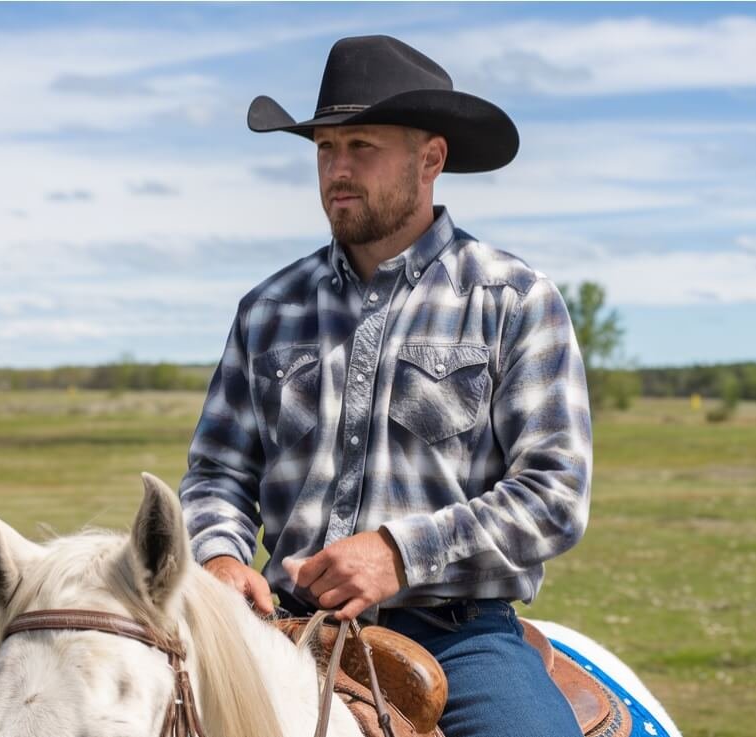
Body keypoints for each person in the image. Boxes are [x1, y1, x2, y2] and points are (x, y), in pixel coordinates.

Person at [179, 35, 591, 737]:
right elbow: (217, 471)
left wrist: (399, 553)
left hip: (457, 638)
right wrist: (218, 556)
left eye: (360, 147)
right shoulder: (268, 308)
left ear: (431, 158)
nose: (337, 170)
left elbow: (554, 496)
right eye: (323, 150)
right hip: (282, 629)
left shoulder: (513, 299)